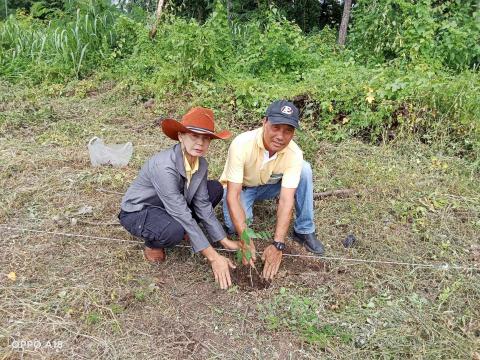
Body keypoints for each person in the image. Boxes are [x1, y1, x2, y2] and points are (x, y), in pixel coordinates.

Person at [119, 107, 239, 289]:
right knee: (175, 229)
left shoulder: (201, 163)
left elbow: (202, 203)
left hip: (170, 205)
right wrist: (214, 257)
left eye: (205, 138)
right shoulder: (164, 166)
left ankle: (184, 231)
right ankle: (153, 244)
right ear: (181, 136)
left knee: (214, 189)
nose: (200, 143)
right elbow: (181, 213)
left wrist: (223, 240)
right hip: (140, 211)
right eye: (193, 136)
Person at [220, 100, 325, 280]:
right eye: (276, 127)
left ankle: (304, 229)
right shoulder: (241, 144)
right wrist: (245, 239)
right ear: (264, 122)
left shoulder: (294, 153)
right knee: (233, 226)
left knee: (304, 170)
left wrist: (278, 244)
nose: (280, 136)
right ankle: (245, 218)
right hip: (242, 188)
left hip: (269, 185)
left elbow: (286, 200)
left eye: (288, 131)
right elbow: (232, 195)